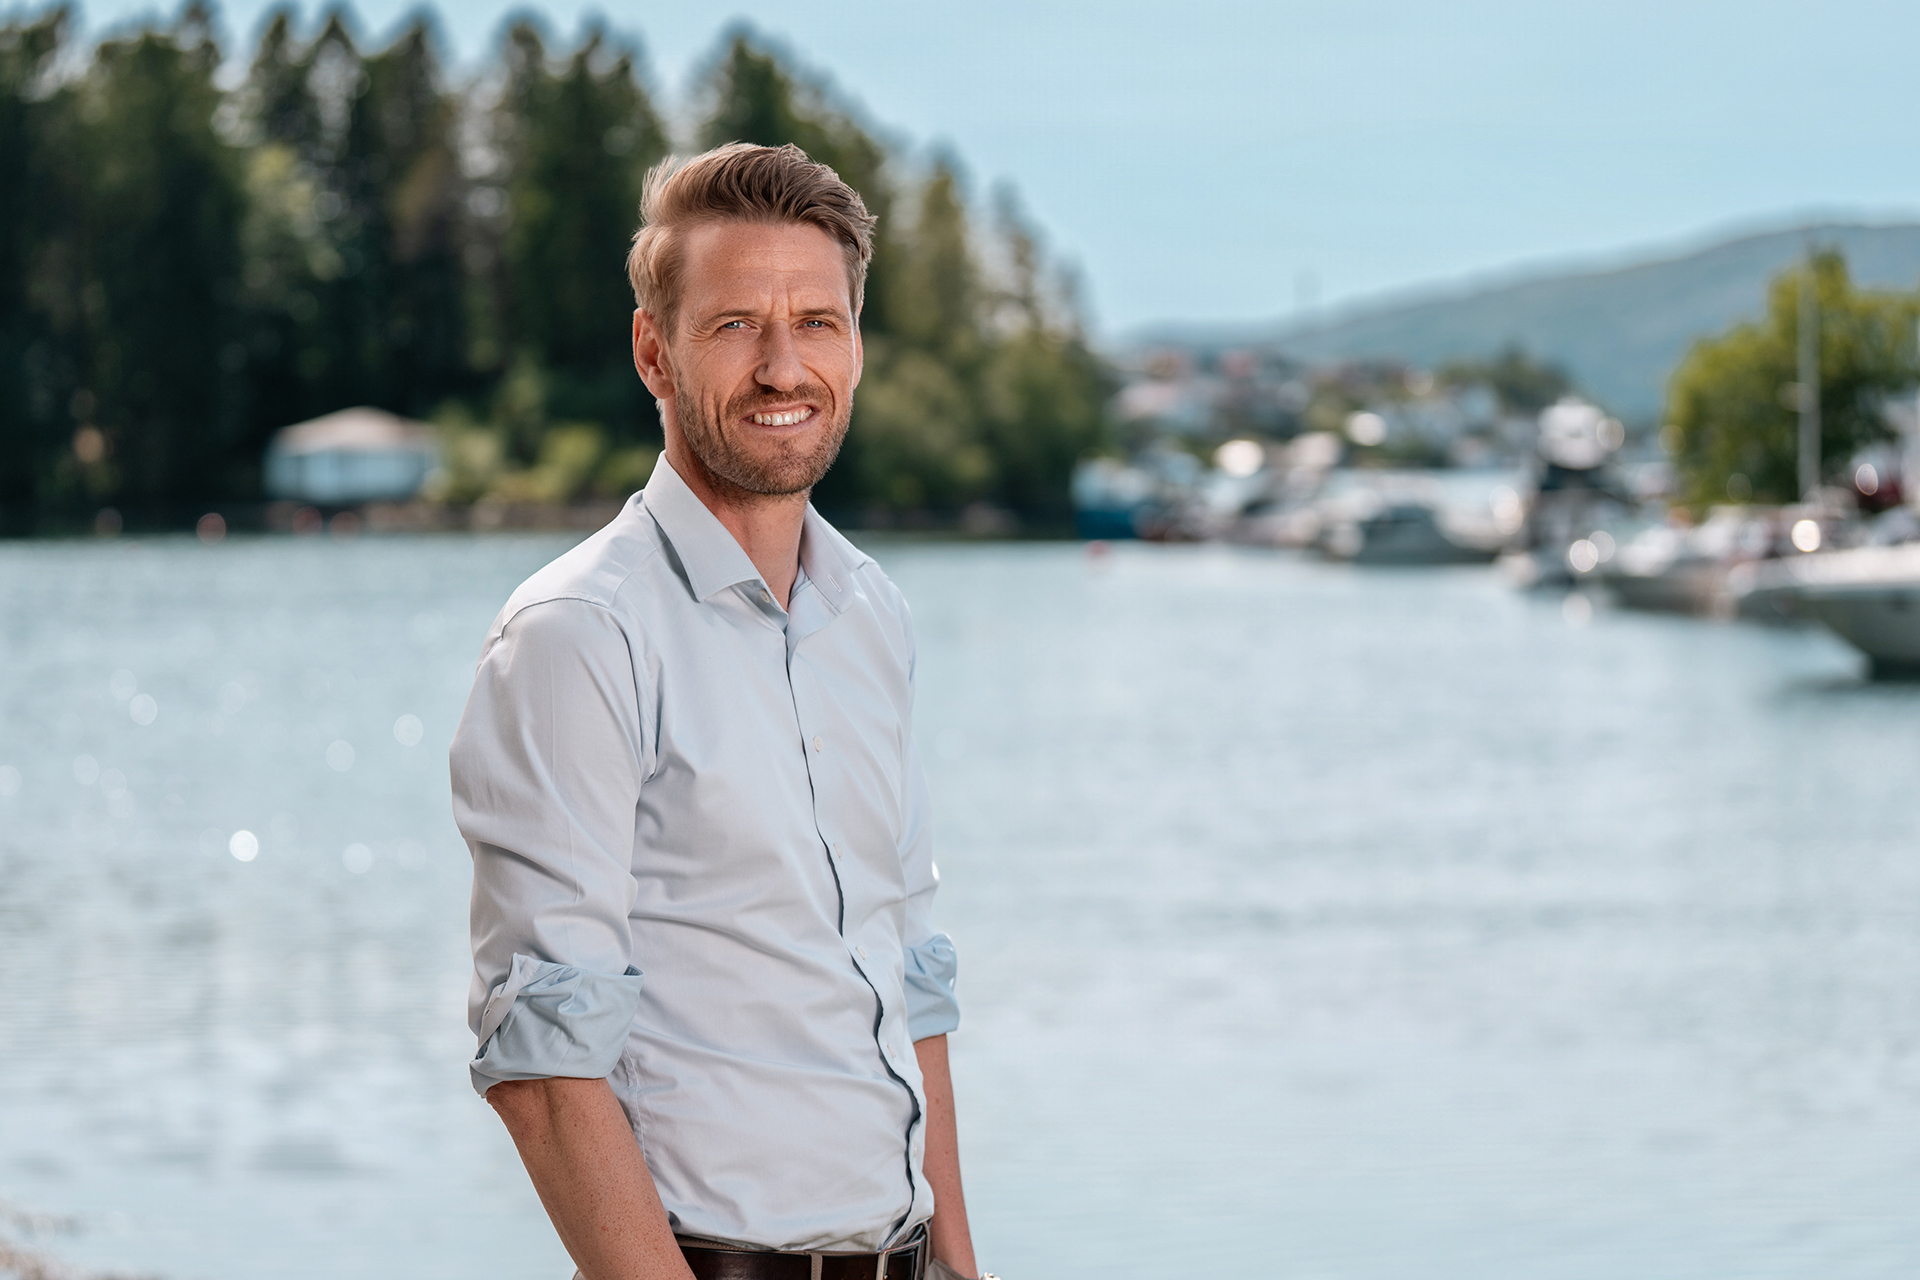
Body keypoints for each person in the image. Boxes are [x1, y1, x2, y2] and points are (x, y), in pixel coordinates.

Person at [451, 142, 990, 1280]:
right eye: (735, 323)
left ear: (857, 345)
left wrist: (959, 1263)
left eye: (817, 322)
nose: (783, 366)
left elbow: (912, 966)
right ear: (656, 350)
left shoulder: (869, 610)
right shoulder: (579, 632)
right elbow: (544, 1066)